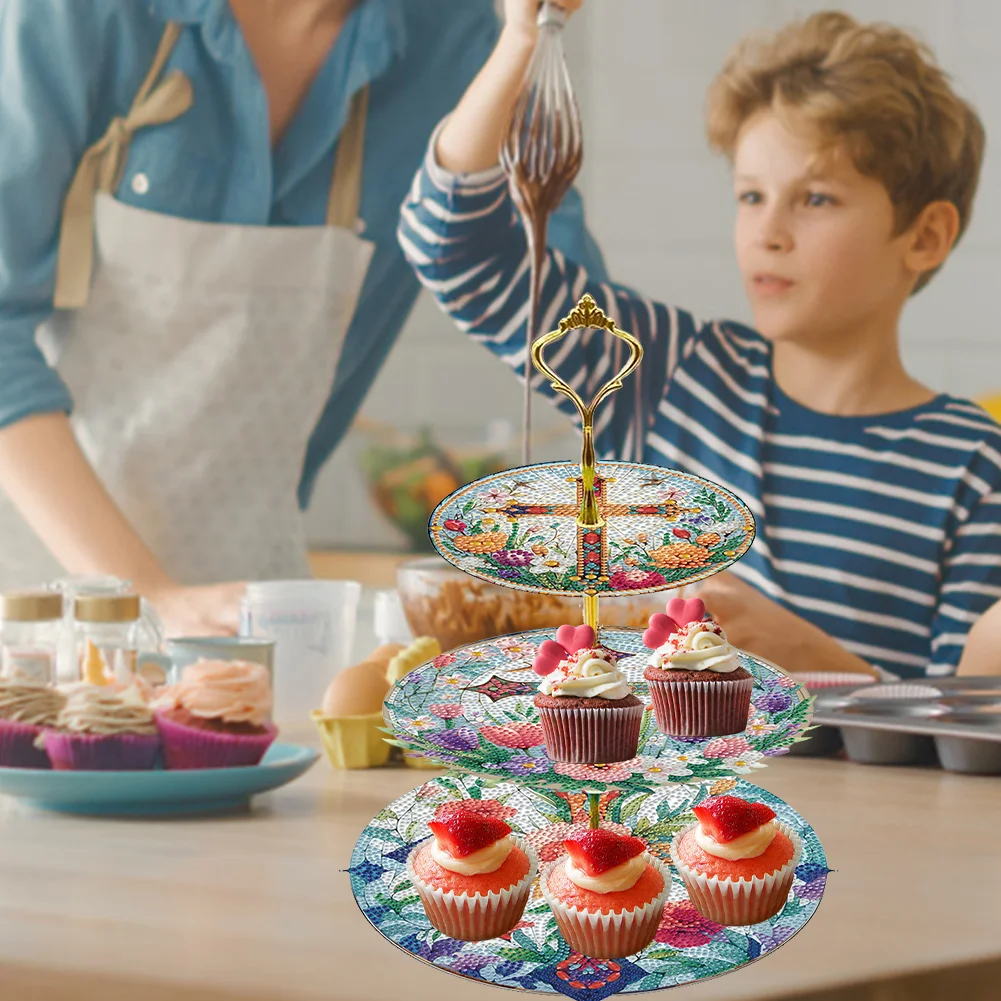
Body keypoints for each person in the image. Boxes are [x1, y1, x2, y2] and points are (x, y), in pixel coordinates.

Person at [398, 3, 1001, 680]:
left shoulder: (973, 469)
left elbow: (960, 726)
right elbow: (453, 249)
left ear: (925, 236)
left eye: (816, 199)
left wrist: (812, 660)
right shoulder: (669, 373)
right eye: (751, 196)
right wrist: (517, 39)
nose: (767, 233)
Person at [0, 0, 607, 637]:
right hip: (31, 608)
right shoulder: (79, 14)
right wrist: (152, 596)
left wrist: (657, 531)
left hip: (253, 612)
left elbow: (584, 337)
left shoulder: (460, 44)